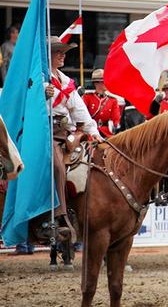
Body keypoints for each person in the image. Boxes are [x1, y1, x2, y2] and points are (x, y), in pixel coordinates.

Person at [44, 36, 102, 243]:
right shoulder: (36, 77)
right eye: (57, 51)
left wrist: (94, 132)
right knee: (57, 167)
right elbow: (22, 102)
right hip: (42, 132)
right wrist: (41, 94)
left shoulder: (66, 82)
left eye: (63, 51)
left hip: (65, 133)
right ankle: (58, 217)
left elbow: (80, 111)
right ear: (47, 54)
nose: (62, 55)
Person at [82, 69, 121, 138]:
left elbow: (116, 120)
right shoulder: (87, 97)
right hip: (89, 133)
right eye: (104, 82)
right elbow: (83, 115)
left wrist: (116, 130)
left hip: (106, 133)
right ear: (97, 83)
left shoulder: (112, 100)